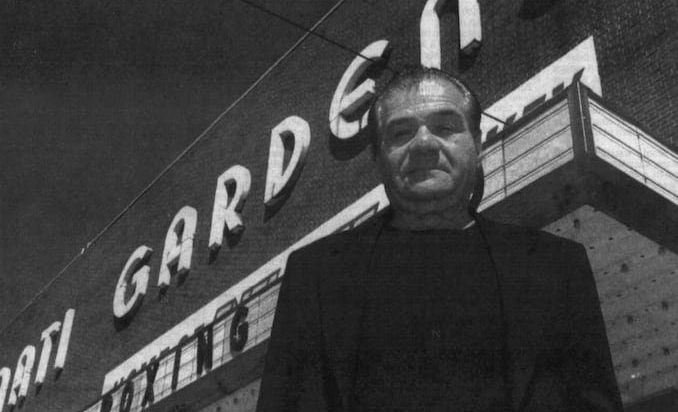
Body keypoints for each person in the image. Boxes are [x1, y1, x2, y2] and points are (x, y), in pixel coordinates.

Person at [256, 67, 622, 412]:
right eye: (401, 133)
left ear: (477, 145)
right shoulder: (314, 275)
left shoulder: (556, 266)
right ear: (377, 158)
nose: (424, 144)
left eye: (446, 126)